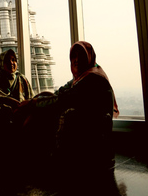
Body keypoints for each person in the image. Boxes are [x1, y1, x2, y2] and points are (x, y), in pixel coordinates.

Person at [14, 41, 118, 185]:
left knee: (46, 110)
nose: (76, 60)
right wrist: (35, 101)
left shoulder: (93, 79)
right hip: (82, 124)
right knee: (44, 97)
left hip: (90, 133)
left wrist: (32, 104)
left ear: (88, 57)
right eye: (73, 56)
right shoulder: (81, 77)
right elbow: (60, 93)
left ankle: (27, 153)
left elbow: (63, 100)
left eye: (80, 55)